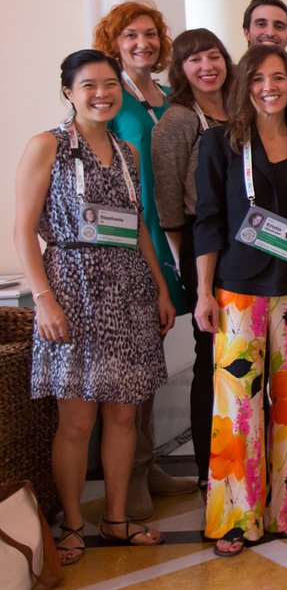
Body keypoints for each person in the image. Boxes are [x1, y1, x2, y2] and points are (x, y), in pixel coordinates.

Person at [15, 50, 176, 563]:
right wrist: (43, 300)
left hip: (128, 289)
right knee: (77, 422)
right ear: (68, 91)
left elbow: (138, 230)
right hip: (72, 287)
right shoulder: (48, 146)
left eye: (111, 84)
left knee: (123, 417)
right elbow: (22, 230)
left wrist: (160, 289)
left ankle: (115, 518)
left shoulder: (128, 153)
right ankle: (71, 523)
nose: (102, 93)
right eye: (89, 85)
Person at [192, 45, 287, 555]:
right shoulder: (219, 143)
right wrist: (204, 292)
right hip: (237, 290)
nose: (270, 86)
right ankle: (235, 518)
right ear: (243, 85)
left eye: (279, 77)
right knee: (237, 409)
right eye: (258, 78)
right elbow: (207, 220)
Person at [92, 1, 198, 517]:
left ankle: (148, 460)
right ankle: (128, 474)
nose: (143, 44)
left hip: (171, 234)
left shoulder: (165, 95)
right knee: (132, 363)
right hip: (132, 241)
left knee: (151, 357)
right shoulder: (111, 94)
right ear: (114, 41)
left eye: (151, 35)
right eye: (131, 35)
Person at [151, 28, 234, 493]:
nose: (207, 66)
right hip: (202, 252)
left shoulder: (241, 108)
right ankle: (209, 467)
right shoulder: (179, 120)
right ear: (179, 69)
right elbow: (167, 202)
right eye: (194, 59)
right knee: (211, 358)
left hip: (246, 247)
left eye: (213, 55)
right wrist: (192, 264)